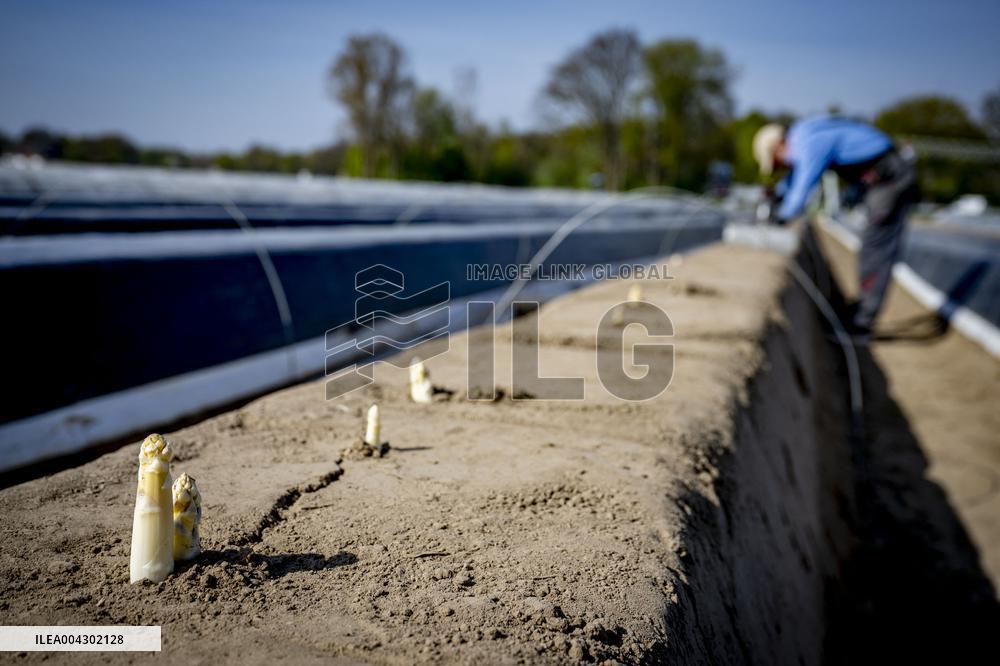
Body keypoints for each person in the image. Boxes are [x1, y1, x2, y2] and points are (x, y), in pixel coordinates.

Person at [752, 116, 919, 336]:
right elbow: (796, 177)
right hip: (880, 175)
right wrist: (780, 195)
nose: (782, 167)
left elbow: (804, 182)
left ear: (779, 146)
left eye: (777, 162)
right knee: (872, 244)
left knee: (875, 246)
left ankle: (862, 322)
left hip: (889, 177)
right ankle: (861, 310)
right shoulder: (804, 136)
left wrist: (782, 216)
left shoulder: (808, 143)